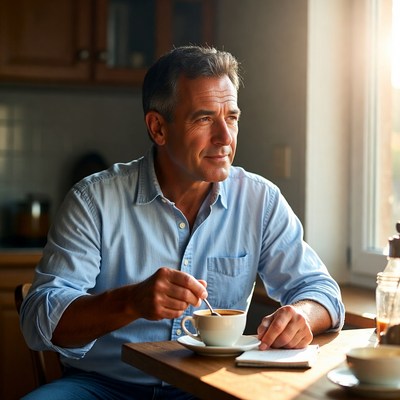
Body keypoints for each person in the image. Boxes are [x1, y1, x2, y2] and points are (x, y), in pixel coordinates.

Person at [20, 45, 345, 400]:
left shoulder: (260, 201)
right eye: (205, 119)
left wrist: (301, 315)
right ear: (158, 127)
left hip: (210, 387)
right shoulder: (93, 200)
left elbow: (322, 292)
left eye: (232, 118)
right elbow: (39, 321)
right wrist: (131, 301)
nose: (225, 138)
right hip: (103, 387)